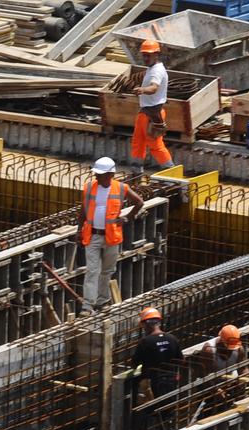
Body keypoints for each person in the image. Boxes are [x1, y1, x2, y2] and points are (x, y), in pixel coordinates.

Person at [79, 157, 145, 312]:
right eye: (96, 174)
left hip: (111, 237)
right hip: (93, 235)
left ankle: (103, 301)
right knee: (92, 271)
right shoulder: (89, 187)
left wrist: (128, 217)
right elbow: (83, 211)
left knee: (106, 271)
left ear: (110, 174)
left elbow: (139, 202)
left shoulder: (121, 188)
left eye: (100, 174)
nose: (96, 177)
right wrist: (78, 230)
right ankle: (87, 306)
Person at [130, 40, 174, 173]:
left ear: (156, 54)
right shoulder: (151, 69)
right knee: (138, 141)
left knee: (155, 145)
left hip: (153, 114)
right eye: (144, 55)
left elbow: (154, 88)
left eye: (148, 55)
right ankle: (136, 171)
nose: (145, 58)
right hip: (145, 112)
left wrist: (142, 90)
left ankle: (170, 172)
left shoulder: (157, 71)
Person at [130, 307, 184, 398]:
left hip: (153, 382)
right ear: (158, 322)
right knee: (170, 408)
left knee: (153, 408)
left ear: (145, 324)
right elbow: (181, 360)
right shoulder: (172, 338)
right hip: (172, 380)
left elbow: (135, 363)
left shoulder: (145, 342)